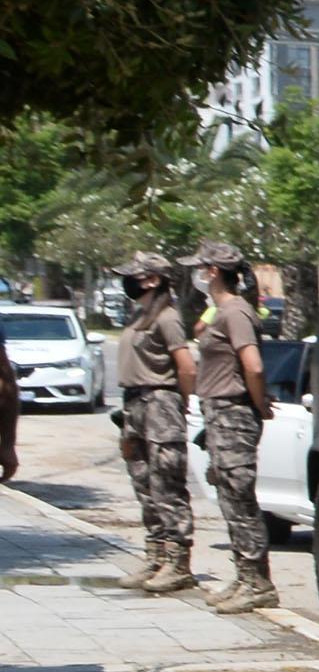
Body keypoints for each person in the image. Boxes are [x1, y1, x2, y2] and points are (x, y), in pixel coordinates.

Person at [187, 242, 280, 615]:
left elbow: (253, 367)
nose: (195, 274)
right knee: (228, 497)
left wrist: (257, 406)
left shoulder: (236, 312)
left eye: (200, 267)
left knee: (240, 499)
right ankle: (244, 577)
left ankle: (258, 583)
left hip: (233, 414)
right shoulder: (221, 312)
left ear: (213, 272)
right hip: (219, 414)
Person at [104, 252, 198, 595]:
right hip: (134, 405)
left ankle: (178, 562)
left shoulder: (168, 316)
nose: (126, 281)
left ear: (152, 279)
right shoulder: (139, 313)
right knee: (144, 483)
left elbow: (186, 366)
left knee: (166, 483)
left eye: (134, 275)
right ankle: (156, 554)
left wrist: (182, 402)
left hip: (160, 402)